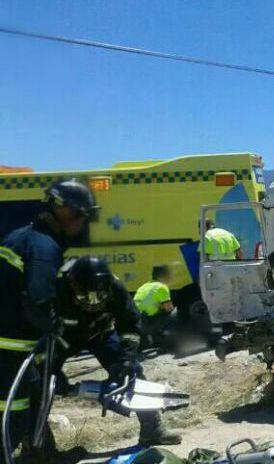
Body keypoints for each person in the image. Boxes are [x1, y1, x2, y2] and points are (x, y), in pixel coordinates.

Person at [0, 180, 98, 463]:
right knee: (14, 418)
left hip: (8, 345)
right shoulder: (45, 247)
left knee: (33, 404)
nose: (84, 223)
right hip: (11, 350)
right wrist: (57, 328)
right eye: (82, 216)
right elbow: (37, 300)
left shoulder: (17, 236)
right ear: (65, 211)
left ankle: (43, 454)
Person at [55, 256, 182, 446]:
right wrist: (53, 367)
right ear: (74, 285)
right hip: (63, 338)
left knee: (134, 374)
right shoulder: (58, 288)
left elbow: (130, 324)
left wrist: (128, 357)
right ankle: (38, 445)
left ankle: (152, 429)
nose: (92, 303)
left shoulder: (115, 287)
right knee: (43, 382)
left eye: (98, 297)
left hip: (101, 333)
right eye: (85, 297)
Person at [134, 266, 177, 347]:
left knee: (157, 311)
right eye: (168, 275)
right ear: (161, 276)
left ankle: (149, 341)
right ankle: (168, 342)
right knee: (174, 312)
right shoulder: (161, 287)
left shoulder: (144, 286)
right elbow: (169, 309)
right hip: (146, 322)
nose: (170, 277)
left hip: (136, 322)